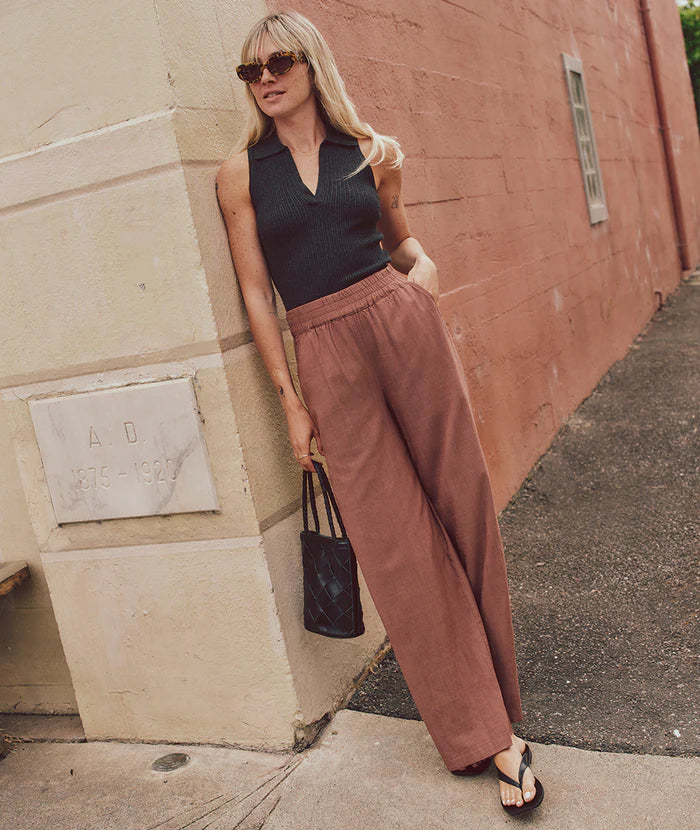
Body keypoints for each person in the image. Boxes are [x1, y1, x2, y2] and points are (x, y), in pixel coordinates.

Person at [215, 9, 544, 816]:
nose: (265, 79)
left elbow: (404, 243)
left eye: (279, 62)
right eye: (251, 70)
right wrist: (290, 400)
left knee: (460, 505)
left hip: (401, 328)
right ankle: (484, 732)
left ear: (311, 63)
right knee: (396, 545)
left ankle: (502, 707)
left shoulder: (370, 152)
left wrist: (421, 282)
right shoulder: (238, 174)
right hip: (323, 350)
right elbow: (257, 292)